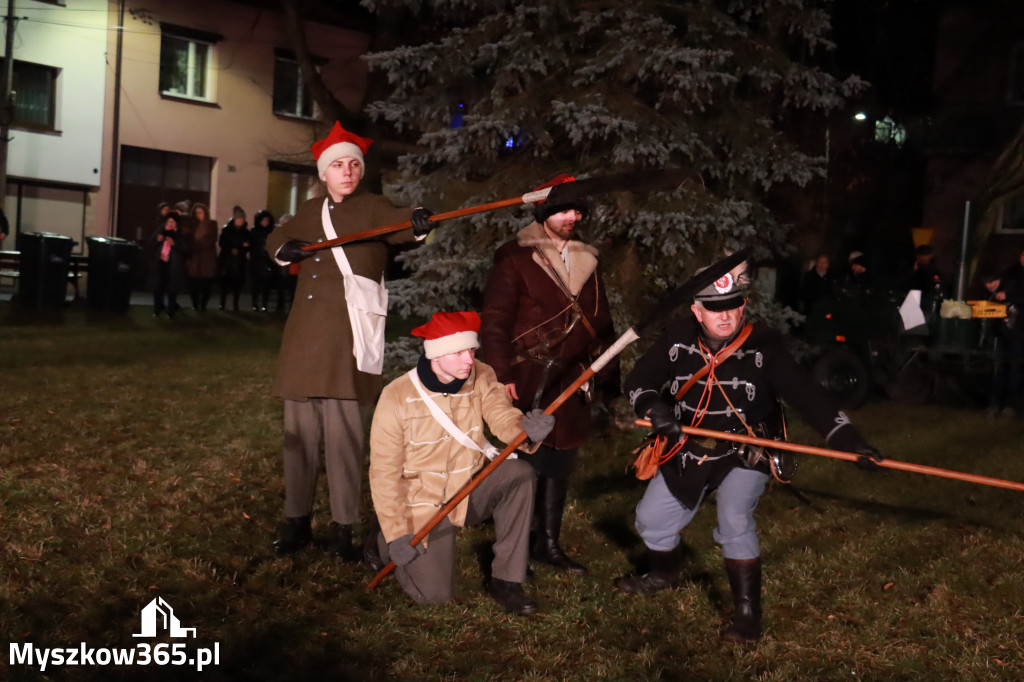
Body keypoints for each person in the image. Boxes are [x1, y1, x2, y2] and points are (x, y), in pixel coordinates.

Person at [615, 257, 882, 643]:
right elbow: (641, 378)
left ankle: (746, 615)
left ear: (742, 306)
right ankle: (663, 573)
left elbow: (808, 396)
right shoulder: (676, 337)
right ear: (697, 310)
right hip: (688, 448)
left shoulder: (765, 346)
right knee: (651, 520)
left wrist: (848, 440)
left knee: (734, 519)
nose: (724, 317)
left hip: (747, 450)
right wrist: (653, 407)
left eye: (732, 307)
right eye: (714, 308)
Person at [265, 121, 435, 560]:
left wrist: (418, 225)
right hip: (304, 340)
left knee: (343, 440)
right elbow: (276, 237)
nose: (347, 172)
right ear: (324, 172)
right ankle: (296, 520)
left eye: (353, 165)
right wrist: (286, 250)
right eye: (337, 165)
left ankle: (343, 528)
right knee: (298, 438)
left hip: (346, 338)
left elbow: (401, 226)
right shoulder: (308, 209)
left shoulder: (374, 206)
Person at [368, 311, 554, 614]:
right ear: (436, 355)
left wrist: (526, 430)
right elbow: (384, 473)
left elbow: (501, 415)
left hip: (467, 490)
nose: (468, 359)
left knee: (519, 473)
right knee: (435, 596)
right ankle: (383, 538)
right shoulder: (396, 397)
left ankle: (506, 580)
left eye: (471, 350)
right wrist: (396, 533)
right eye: (458, 352)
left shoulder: (481, 374)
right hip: (421, 503)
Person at [479, 173, 618, 576]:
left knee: (561, 459)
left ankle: (548, 544)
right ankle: (515, 543)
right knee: (527, 460)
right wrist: (501, 371)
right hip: (526, 373)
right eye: (563, 208)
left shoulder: (588, 259)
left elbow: (602, 321)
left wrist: (608, 377)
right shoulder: (515, 255)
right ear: (544, 211)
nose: (572, 215)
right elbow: (495, 320)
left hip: (573, 378)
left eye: (577, 209)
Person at [984, 265, 1024, 418]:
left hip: (1017, 333)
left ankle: (1009, 405)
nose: (990, 285)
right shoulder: (995, 291)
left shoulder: (1014, 285)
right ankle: (994, 404)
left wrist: (1008, 296)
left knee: (1014, 369)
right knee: (998, 369)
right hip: (1001, 334)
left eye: (993, 281)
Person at [148, 212, 190, 318]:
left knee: (172, 289)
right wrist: (157, 240)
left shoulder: (180, 233)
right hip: (160, 263)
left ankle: (170, 310)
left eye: (173, 221)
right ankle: (157, 309)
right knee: (158, 288)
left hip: (173, 264)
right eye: (169, 221)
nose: (170, 223)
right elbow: (151, 244)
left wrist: (174, 244)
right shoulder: (160, 230)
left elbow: (185, 248)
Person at [248, 210, 285, 312]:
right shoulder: (254, 232)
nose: (265, 222)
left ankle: (264, 304)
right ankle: (255, 303)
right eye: (263, 220)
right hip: (256, 260)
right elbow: (251, 245)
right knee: (256, 284)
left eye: (267, 220)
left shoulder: (272, 232)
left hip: (268, 261)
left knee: (266, 284)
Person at [184, 203, 218, 312]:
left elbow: (211, 239)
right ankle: (195, 303)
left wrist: (198, 246)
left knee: (206, 284)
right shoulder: (192, 225)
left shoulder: (211, 224)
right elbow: (187, 238)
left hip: (206, 259)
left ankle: (203, 304)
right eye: (197, 213)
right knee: (193, 283)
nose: (199, 215)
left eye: (201, 212)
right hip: (194, 258)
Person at [218, 206, 250, 311]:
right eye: (238, 218)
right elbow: (222, 243)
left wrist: (241, 247)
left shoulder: (246, 232)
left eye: (242, 219)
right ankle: (222, 303)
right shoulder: (227, 230)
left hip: (239, 260)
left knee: (237, 284)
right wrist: (233, 247)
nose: (240, 220)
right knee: (225, 283)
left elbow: (248, 246)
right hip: (227, 260)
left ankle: (235, 304)